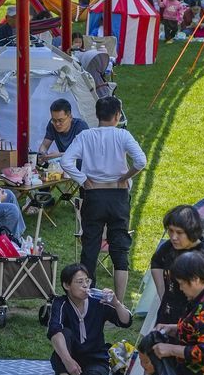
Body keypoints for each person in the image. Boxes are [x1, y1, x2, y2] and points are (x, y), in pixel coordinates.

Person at [61, 96, 146, 302]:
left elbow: (66, 161)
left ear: (97, 115)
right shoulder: (122, 135)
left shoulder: (85, 135)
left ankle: (86, 298)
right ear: (117, 116)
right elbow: (141, 161)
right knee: (119, 249)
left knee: (90, 246)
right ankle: (119, 302)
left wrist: (83, 179)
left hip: (94, 195)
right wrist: (125, 177)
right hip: (117, 195)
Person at [47, 263, 132, 375]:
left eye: (87, 281)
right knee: (63, 334)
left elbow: (126, 322)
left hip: (95, 355)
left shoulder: (97, 301)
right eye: (80, 282)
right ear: (67, 286)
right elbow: (54, 332)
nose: (85, 286)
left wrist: (116, 303)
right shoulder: (61, 303)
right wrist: (68, 361)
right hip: (69, 354)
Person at [38, 98, 88, 162]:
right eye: (54, 120)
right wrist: (42, 153)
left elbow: (84, 152)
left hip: (81, 168)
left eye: (60, 120)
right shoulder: (51, 124)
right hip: (64, 166)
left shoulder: (80, 126)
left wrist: (59, 155)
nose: (57, 124)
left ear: (70, 117)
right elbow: (45, 145)